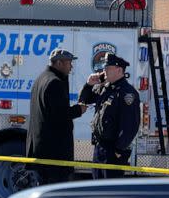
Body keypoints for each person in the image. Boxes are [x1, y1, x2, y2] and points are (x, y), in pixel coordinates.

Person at [26, 49, 87, 184]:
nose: (71, 66)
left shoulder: (41, 79)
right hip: (53, 152)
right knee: (54, 191)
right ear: (59, 63)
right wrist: (79, 109)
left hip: (41, 149)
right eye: (69, 63)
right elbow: (60, 115)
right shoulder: (54, 83)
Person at [79, 53, 141, 179]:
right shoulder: (104, 88)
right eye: (104, 68)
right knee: (97, 188)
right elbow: (84, 100)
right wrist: (89, 84)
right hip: (100, 147)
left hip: (113, 151)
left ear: (119, 70)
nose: (104, 71)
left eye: (108, 68)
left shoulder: (127, 93)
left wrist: (119, 150)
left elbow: (130, 126)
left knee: (110, 191)